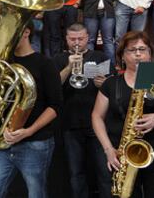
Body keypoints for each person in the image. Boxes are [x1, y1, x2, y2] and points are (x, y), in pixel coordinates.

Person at [91, 31, 154, 198]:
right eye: (132, 50)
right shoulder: (111, 83)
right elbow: (97, 116)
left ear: (150, 54)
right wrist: (108, 149)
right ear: (122, 55)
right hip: (123, 153)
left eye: (143, 49)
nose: (138, 54)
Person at [0, 22, 62, 198]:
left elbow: (55, 106)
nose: (7, 37)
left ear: (26, 32)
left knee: (36, 194)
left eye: (12, 32)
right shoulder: (2, 63)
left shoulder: (45, 64)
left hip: (35, 142)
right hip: (3, 143)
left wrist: (28, 131)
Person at [54, 23, 113, 198]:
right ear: (66, 39)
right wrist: (69, 68)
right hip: (70, 124)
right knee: (76, 173)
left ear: (88, 38)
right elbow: (52, 87)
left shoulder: (100, 56)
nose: (77, 43)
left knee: (104, 172)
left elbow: (113, 88)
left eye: (80, 38)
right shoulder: (58, 59)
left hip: (98, 125)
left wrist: (104, 85)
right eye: (73, 39)